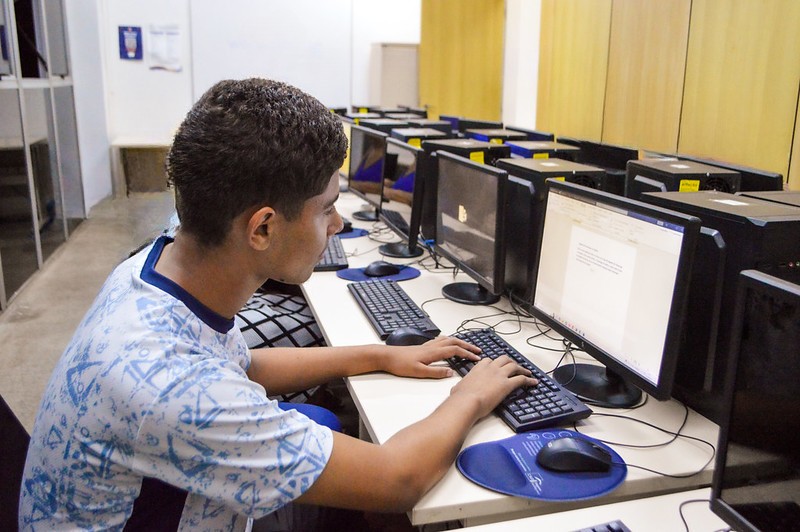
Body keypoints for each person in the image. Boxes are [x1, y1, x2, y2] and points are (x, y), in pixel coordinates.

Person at [19, 78, 536, 530]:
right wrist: (470, 395)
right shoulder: (167, 385)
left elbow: (243, 365)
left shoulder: (156, 265)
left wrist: (379, 355)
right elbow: (396, 480)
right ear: (262, 227)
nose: (337, 226)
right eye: (328, 208)